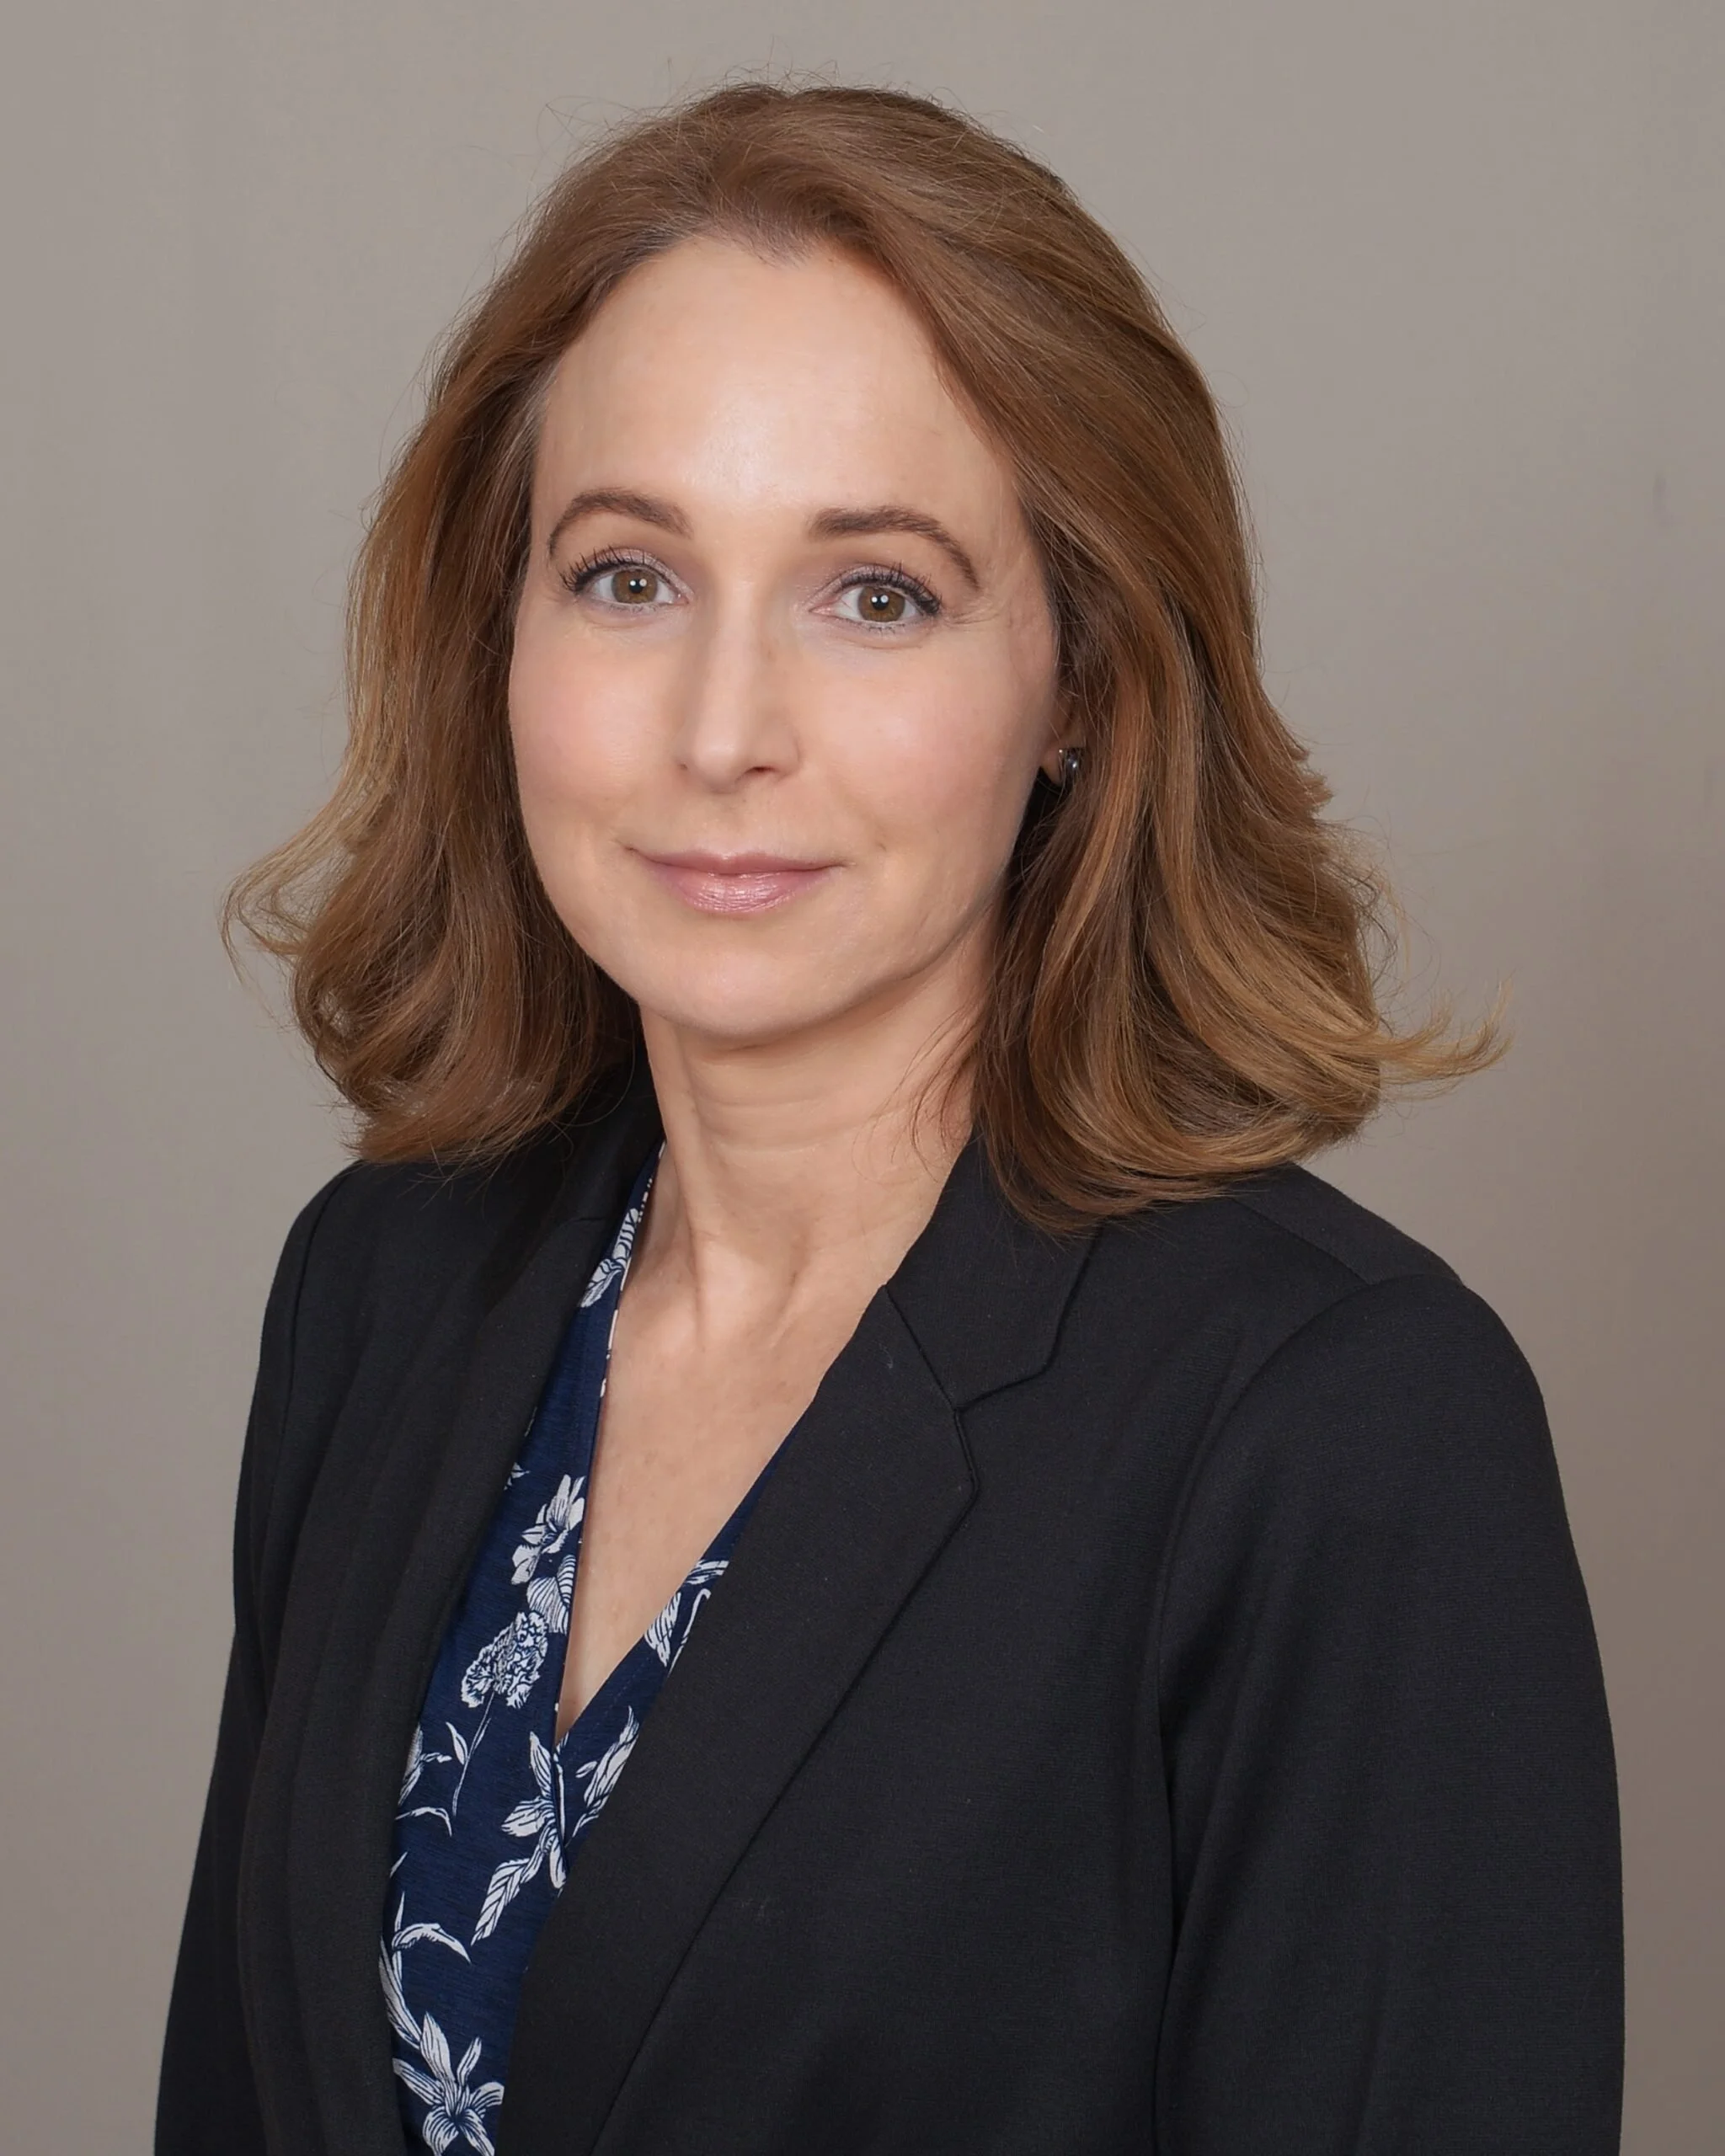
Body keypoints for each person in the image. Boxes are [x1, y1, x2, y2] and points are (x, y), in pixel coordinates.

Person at [156, 81, 1621, 2156]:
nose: (723, 730)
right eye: (628, 576)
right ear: (496, 631)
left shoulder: (1341, 1431)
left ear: (1085, 680)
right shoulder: (381, 1291)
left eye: (877, 596)